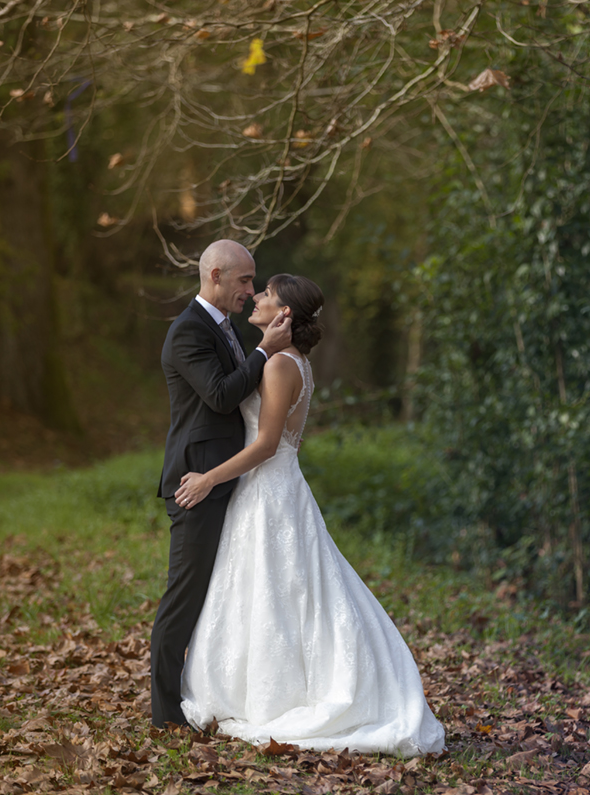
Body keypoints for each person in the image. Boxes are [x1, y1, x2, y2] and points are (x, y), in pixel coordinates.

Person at [172, 274, 445, 756]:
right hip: (280, 486)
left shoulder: (279, 366)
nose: (255, 298)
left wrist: (208, 477)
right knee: (279, 589)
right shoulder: (296, 361)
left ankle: (280, 694)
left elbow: (266, 444)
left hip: (267, 489)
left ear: (285, 315)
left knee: (278, 590)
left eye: (266, 295)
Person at [152, 240, 292, 730]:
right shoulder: (187, 331)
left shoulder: (227, 327)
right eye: (244, 281)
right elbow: (218, 396)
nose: (250, 290)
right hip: (196, 481)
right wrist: (263, 351)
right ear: (215, 275)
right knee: (184, 597)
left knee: (218, 596)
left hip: (227, 479)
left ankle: (213, 692)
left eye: (252, 281)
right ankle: (165, 714)